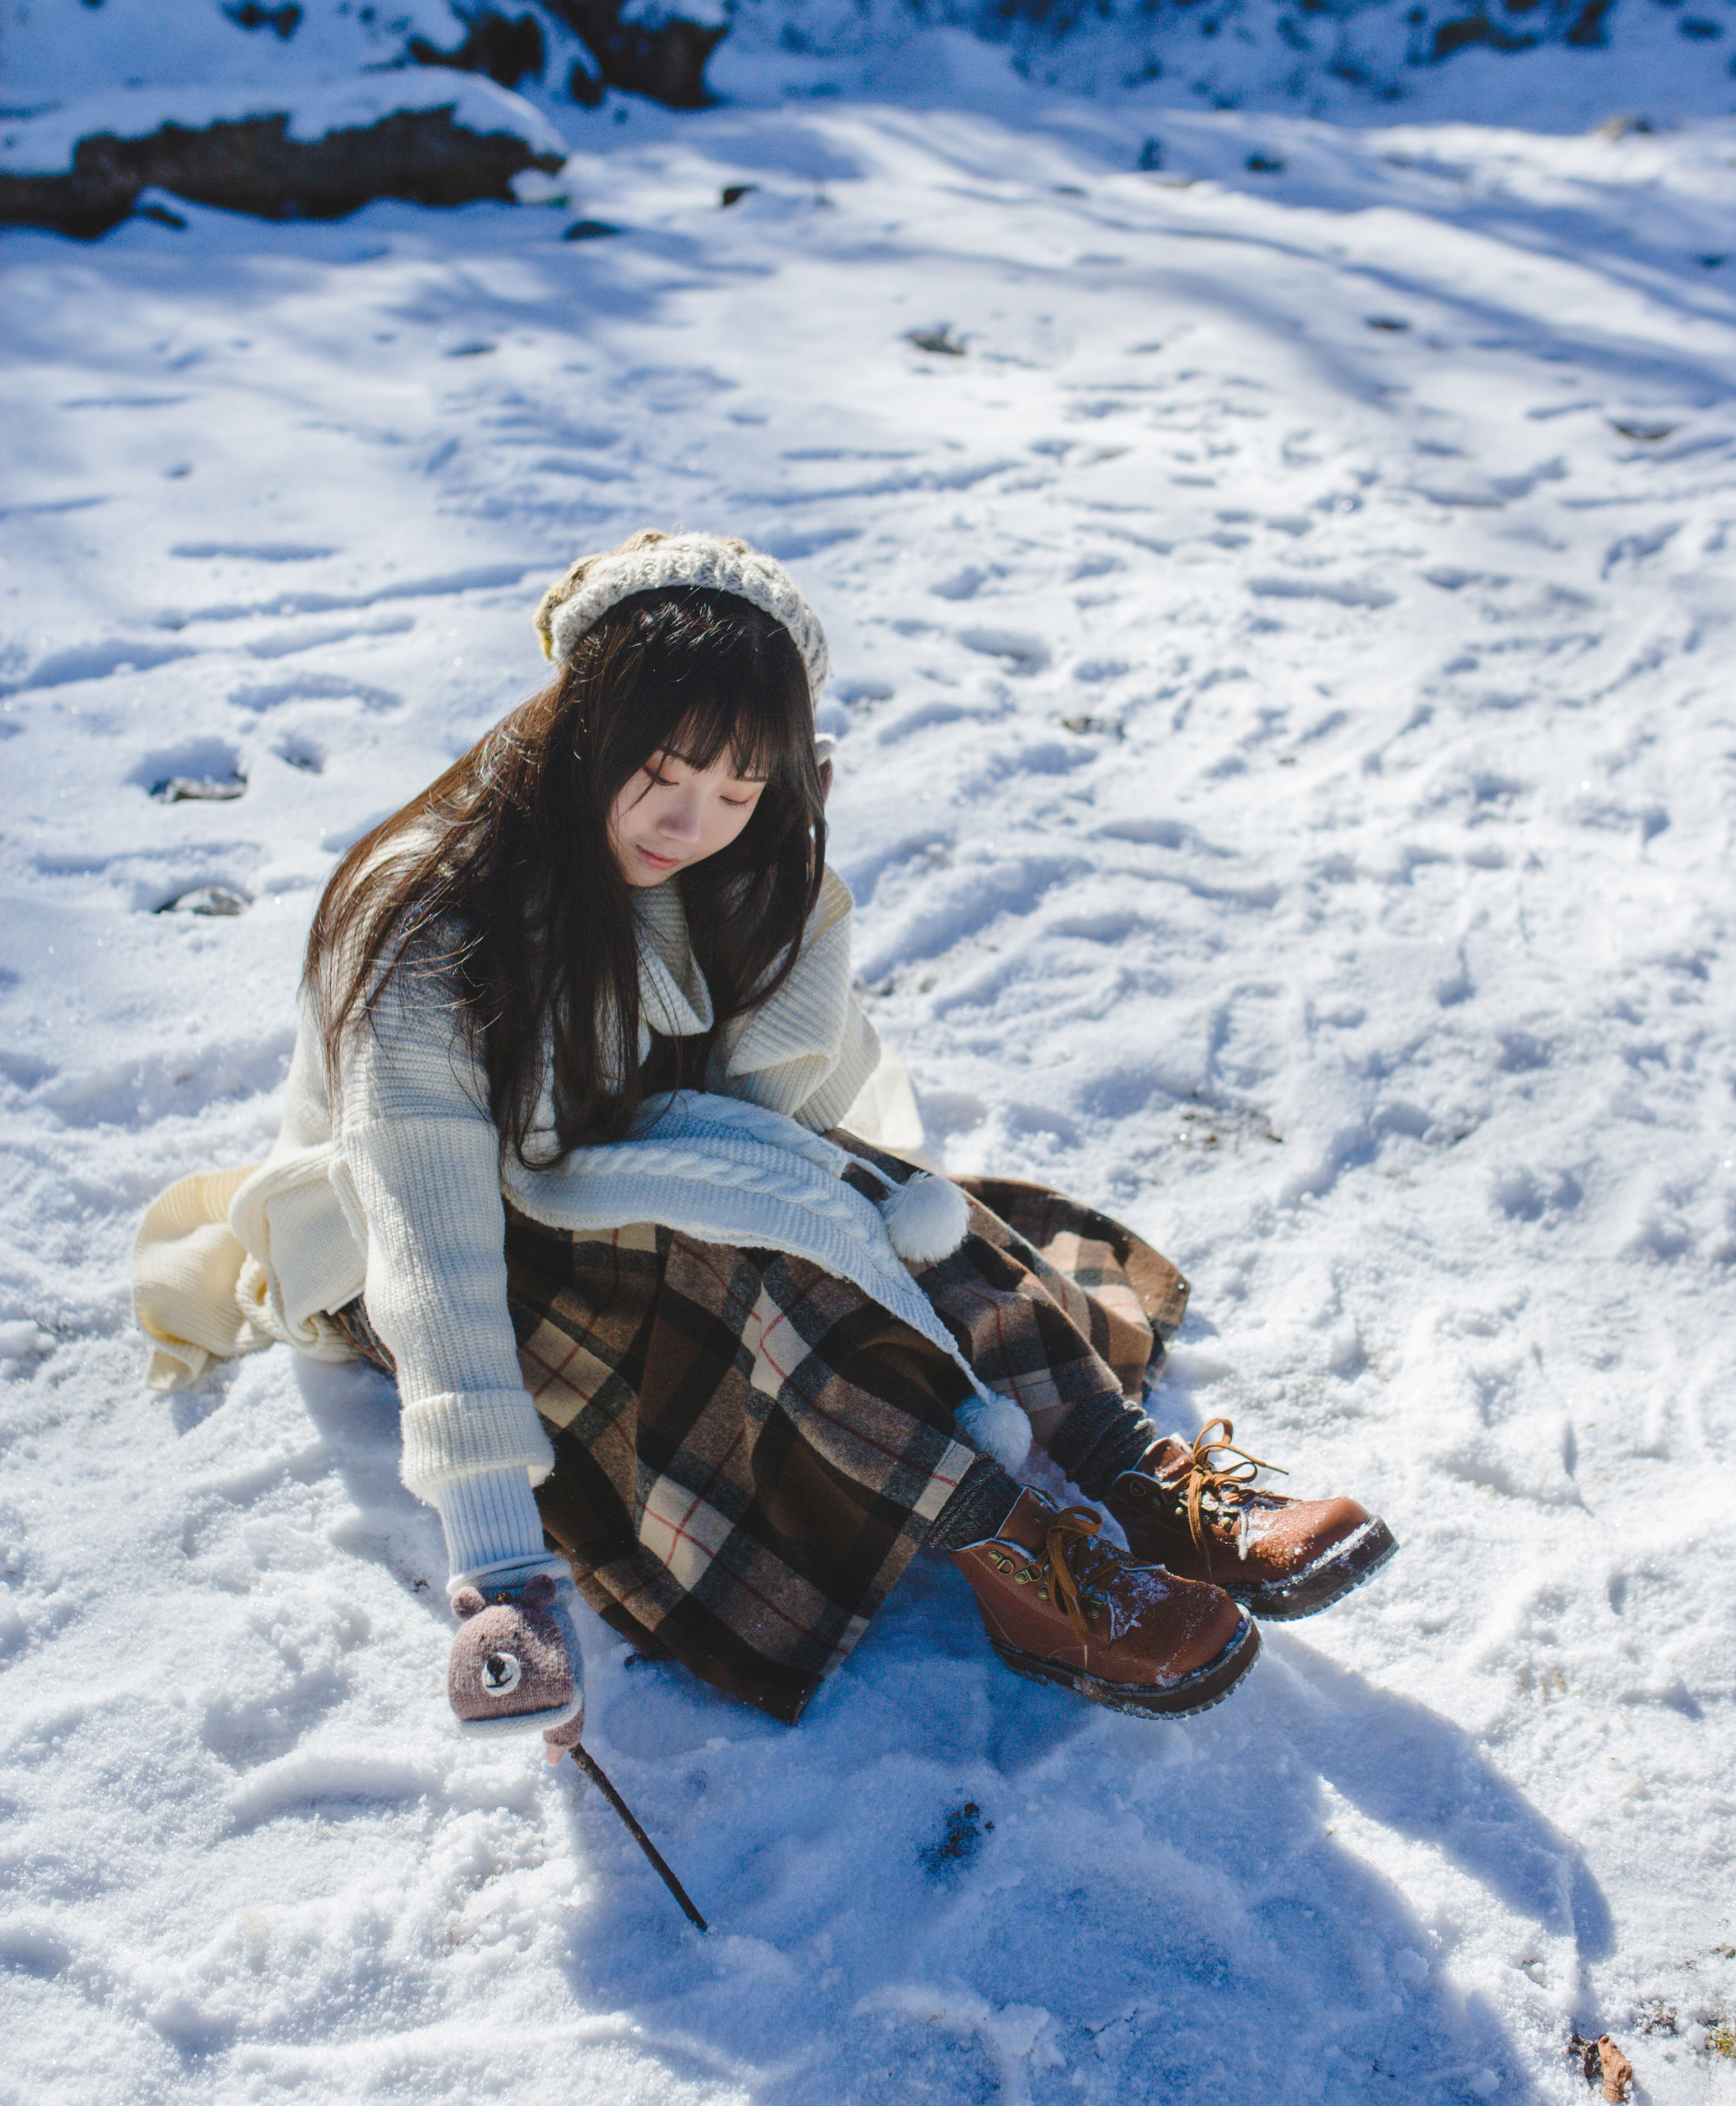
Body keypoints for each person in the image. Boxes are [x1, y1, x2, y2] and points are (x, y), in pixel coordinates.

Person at [132, 529, 1395, 1752]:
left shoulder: (713, 865)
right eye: (665, 774)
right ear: (586, 719)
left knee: (836, 1191)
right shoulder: (431, 922)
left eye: (739, 792)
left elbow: (783, 1121)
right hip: (415, 1255)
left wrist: (786, 889)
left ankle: (1133, 1475)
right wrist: (501, 1575)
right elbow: (430, 1247)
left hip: (622, 1168)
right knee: (727, 1256)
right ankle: (1013, 1549)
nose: (692, 823)